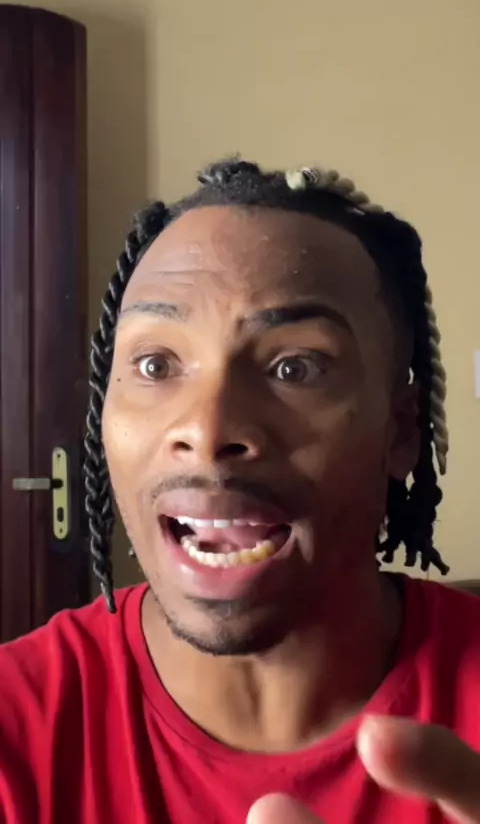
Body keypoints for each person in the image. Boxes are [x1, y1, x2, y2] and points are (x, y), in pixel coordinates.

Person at [0, 159, 479, 824]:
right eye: (155, 364)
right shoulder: (17, 723)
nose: (208, 429)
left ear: (400, 429)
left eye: (295, 366)